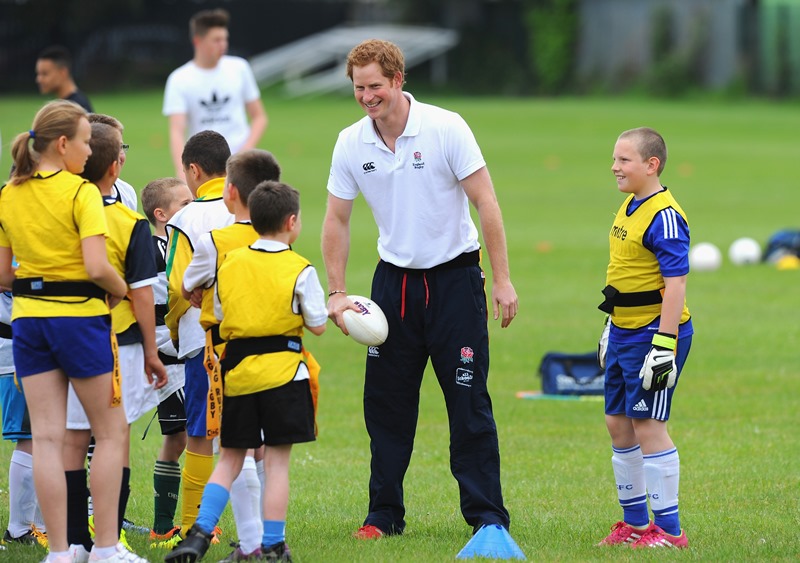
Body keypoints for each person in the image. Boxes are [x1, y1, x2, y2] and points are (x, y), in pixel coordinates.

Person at [322, 39, 519, 540]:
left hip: (455, 283)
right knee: (385, 405)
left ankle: (487, 518)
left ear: (398, 80)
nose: (367, 96)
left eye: (375, 86)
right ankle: (383, 515)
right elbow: (336, 220)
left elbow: (486, 202)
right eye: (358, 88)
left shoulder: (445, 127)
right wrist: (337, 292)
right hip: (393, 289)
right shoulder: (350, 143)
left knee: (468, 403)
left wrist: (501, 279)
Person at [165, 180, 327, 563]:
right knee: (277, 464)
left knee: (229, 460)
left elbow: (220, 313)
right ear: (291, 222)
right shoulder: (300, 267)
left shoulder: (230, 263)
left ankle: (199, 532)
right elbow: (318, 324)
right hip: (284, 375)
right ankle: (272, 545)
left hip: (236, 376)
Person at [0, 99, 129, 563]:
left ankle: (58, 552)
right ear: (62, 144)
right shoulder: (81, 192)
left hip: (28, 322)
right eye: (85, 141)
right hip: (78, 318)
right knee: (110, 434)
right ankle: (106, 548)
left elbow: (3, 274)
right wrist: (122, 290)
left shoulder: (8, 193)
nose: (89, 150)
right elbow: (96, 265)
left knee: (47, 440)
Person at [62, 120, 167, 562]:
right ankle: (110, 542)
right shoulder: (128, 221)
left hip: (59, 332)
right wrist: (151, 350)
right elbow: (142, 295)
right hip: (114, 341)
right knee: (113, 437)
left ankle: (72, 542)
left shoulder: (60, 212)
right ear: (116, 166)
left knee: (70, 439)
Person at [179, 148, 282, 560]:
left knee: (232, 445)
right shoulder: (279, 240)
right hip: (278, 357)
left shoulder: (217, 240)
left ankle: (250, 541)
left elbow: (186, 285)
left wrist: (202, 292)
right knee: (264, 447)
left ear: (231, 192)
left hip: (225, 355)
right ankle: (266, 539)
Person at [596, 127, 691, 549]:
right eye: (614, 159)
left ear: (652, 165)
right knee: (618, 423)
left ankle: (669, 531)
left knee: (648, 426)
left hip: (654, 334)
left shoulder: (665, 216)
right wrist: (610, 326)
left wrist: (665, 344)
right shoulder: (629, 203)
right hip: (623, 330)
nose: (614, 167)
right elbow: (625, 273)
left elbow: (676, 285)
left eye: (624, 160)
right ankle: (635, 524)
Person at [164, 130, 233, 542]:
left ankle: (195, 524)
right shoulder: (249, 206)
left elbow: (177, 286)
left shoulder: (185, 219)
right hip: (250, 334)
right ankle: (262, 531)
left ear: (193, 170)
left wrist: (174, 326)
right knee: (249, 435)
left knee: (200, 431)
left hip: (201, 338)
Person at [141, 177, 193, 546]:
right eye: (184, 204)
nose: (193, 209)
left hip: (184, 353)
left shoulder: (181, 244)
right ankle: (168, 525)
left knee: (184, 437)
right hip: (169, 356)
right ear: (161, 214)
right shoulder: (155, 249)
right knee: (183, 437)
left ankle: (173, 525)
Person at [163, 8, 267, 179]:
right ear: (198, 41)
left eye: (225, 39)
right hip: (204, 168)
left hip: (241, 166)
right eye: (216, 40)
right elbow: (177, 131)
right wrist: (182, 172)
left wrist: (244, 153)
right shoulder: (179, 79)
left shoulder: (240, 68)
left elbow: (259, 117)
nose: (223, 44)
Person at [0, 289, 47, 547]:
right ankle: (18, 529)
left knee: (47, 438)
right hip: (17, 350)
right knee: (30, 437)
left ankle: (41, 527)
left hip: (42, 349)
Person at [87, 114, 137, 211]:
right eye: (110, 149)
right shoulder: (73, 195)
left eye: (120, 147)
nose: (118, 156)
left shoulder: (127, 192)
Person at [35, 46, 93, 112]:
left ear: (63, 72)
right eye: (38, 74)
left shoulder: (76, 108)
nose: (38, 79)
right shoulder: (68, 105)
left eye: (45, 74)